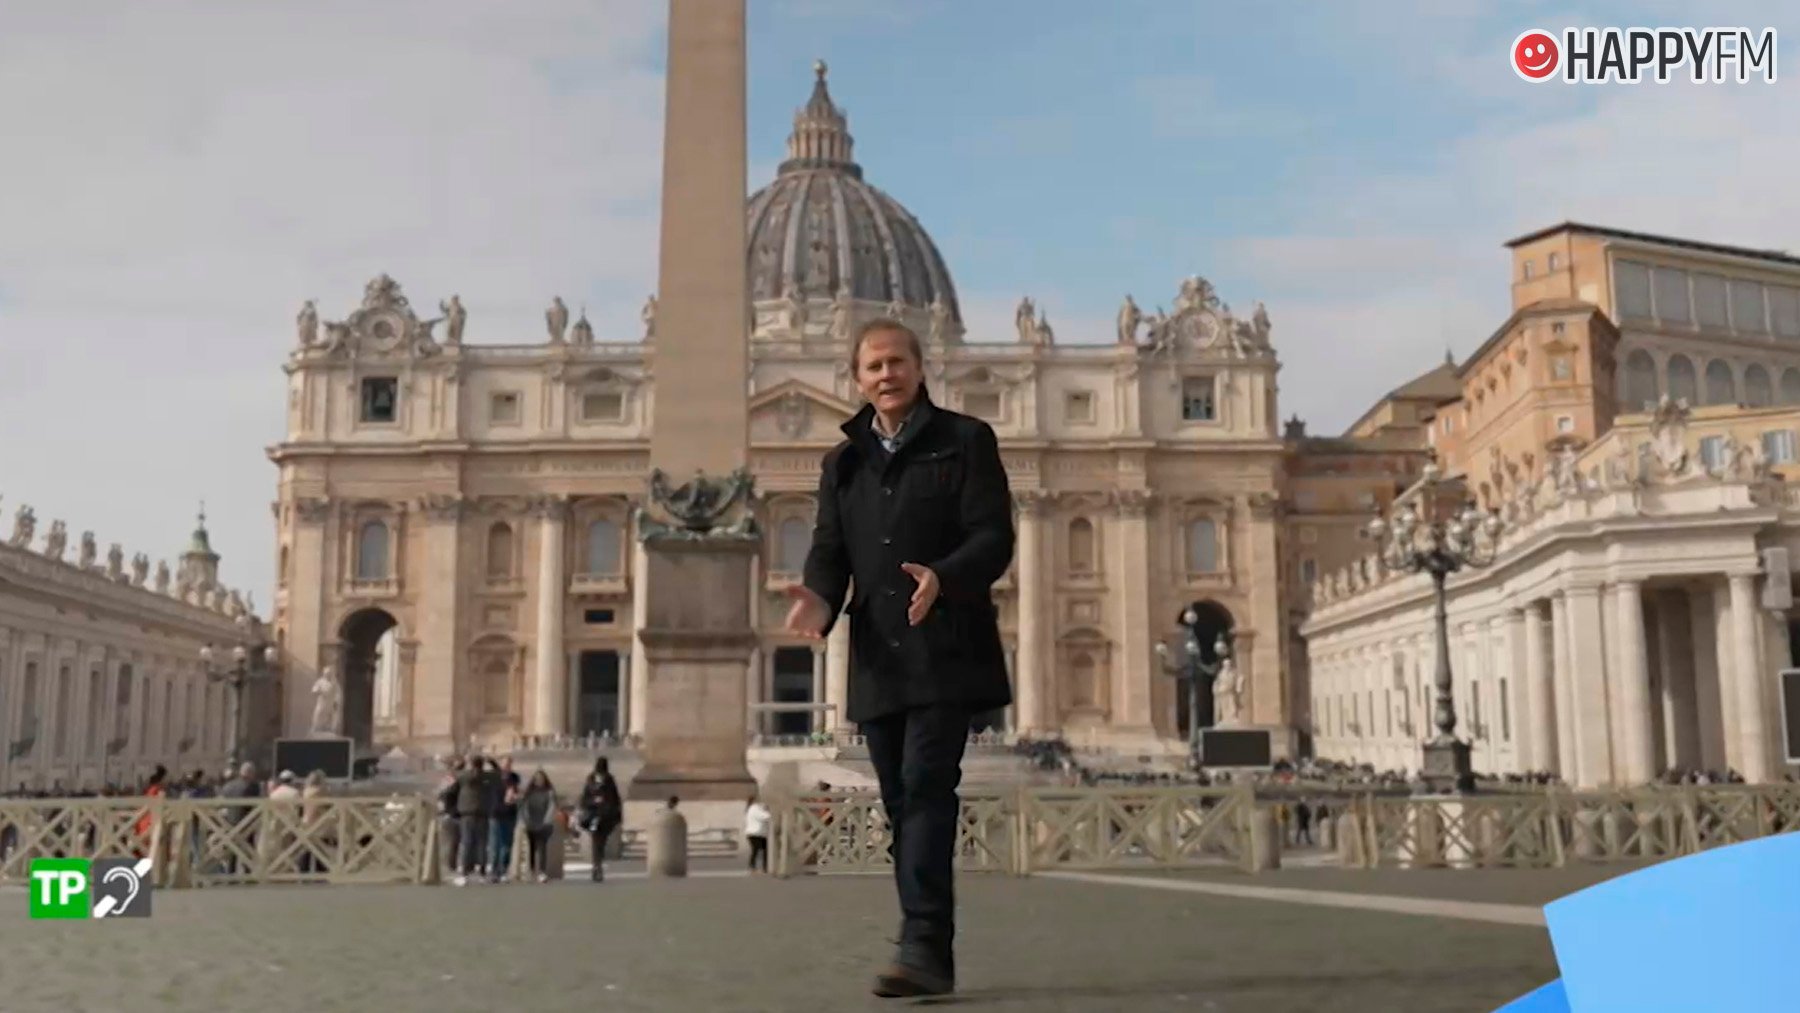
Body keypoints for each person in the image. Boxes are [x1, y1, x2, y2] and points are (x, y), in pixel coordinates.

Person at [786, 317, 1015, 998]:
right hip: (878, 652)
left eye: (896, 362)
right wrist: (819, 600)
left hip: (945, 642)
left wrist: (945, 575)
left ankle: (921, 942)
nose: (886, 375)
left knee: (923, 785)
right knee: (898, 798)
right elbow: (830, 550)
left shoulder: (967, 440)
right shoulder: (842, 462)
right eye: (873, 366)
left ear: (920, 366)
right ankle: (927, 943)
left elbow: (994, 536)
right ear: (855, 378)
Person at [577, 758, 623, 883]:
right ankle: (597, 866)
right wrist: (594, 801)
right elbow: (585, 797)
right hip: (593, 815)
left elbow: (614, 798)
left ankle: (597, 865)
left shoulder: (608, 780)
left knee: (600, 842)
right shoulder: (592, 779)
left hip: (605, 816)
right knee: (596, 841)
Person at [520, 770, 559, 883]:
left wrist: (547, 821)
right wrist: (526, 820)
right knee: (531, 848)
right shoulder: (529, 792)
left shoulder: (549, 792)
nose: (539, 781)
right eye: (537, 779)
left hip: (544, 823)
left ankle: (542, 871)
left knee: (542, 848)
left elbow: (552, 806)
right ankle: (532, 870)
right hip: (531, 822)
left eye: (541, 779)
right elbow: (524, 807)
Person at [744, 793, 772, 874]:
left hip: (755, 833)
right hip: (756, 833)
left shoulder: (751, 808)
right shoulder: (755, 808)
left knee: (757, 850)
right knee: (761, 850)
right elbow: (765, 816)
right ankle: (760, 867)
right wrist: (769, 811)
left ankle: (756, 867)